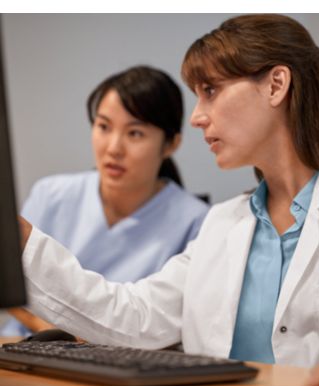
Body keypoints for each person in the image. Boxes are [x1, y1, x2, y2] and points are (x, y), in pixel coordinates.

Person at [16, 15, 319, 386]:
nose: (196, 117)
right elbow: (133, 318)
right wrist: (19, 243)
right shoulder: (222, 223)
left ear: (276, 86)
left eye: (210, 90)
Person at [4, 66, 208, 336]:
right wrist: (55, 333)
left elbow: (168, 323)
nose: (113, 148)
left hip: (122, 363)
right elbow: (10, 284)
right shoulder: (51, 194)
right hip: (25, 346)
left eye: (134, 133)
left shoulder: (197, 221)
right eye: (103, 127)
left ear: (171, 144)